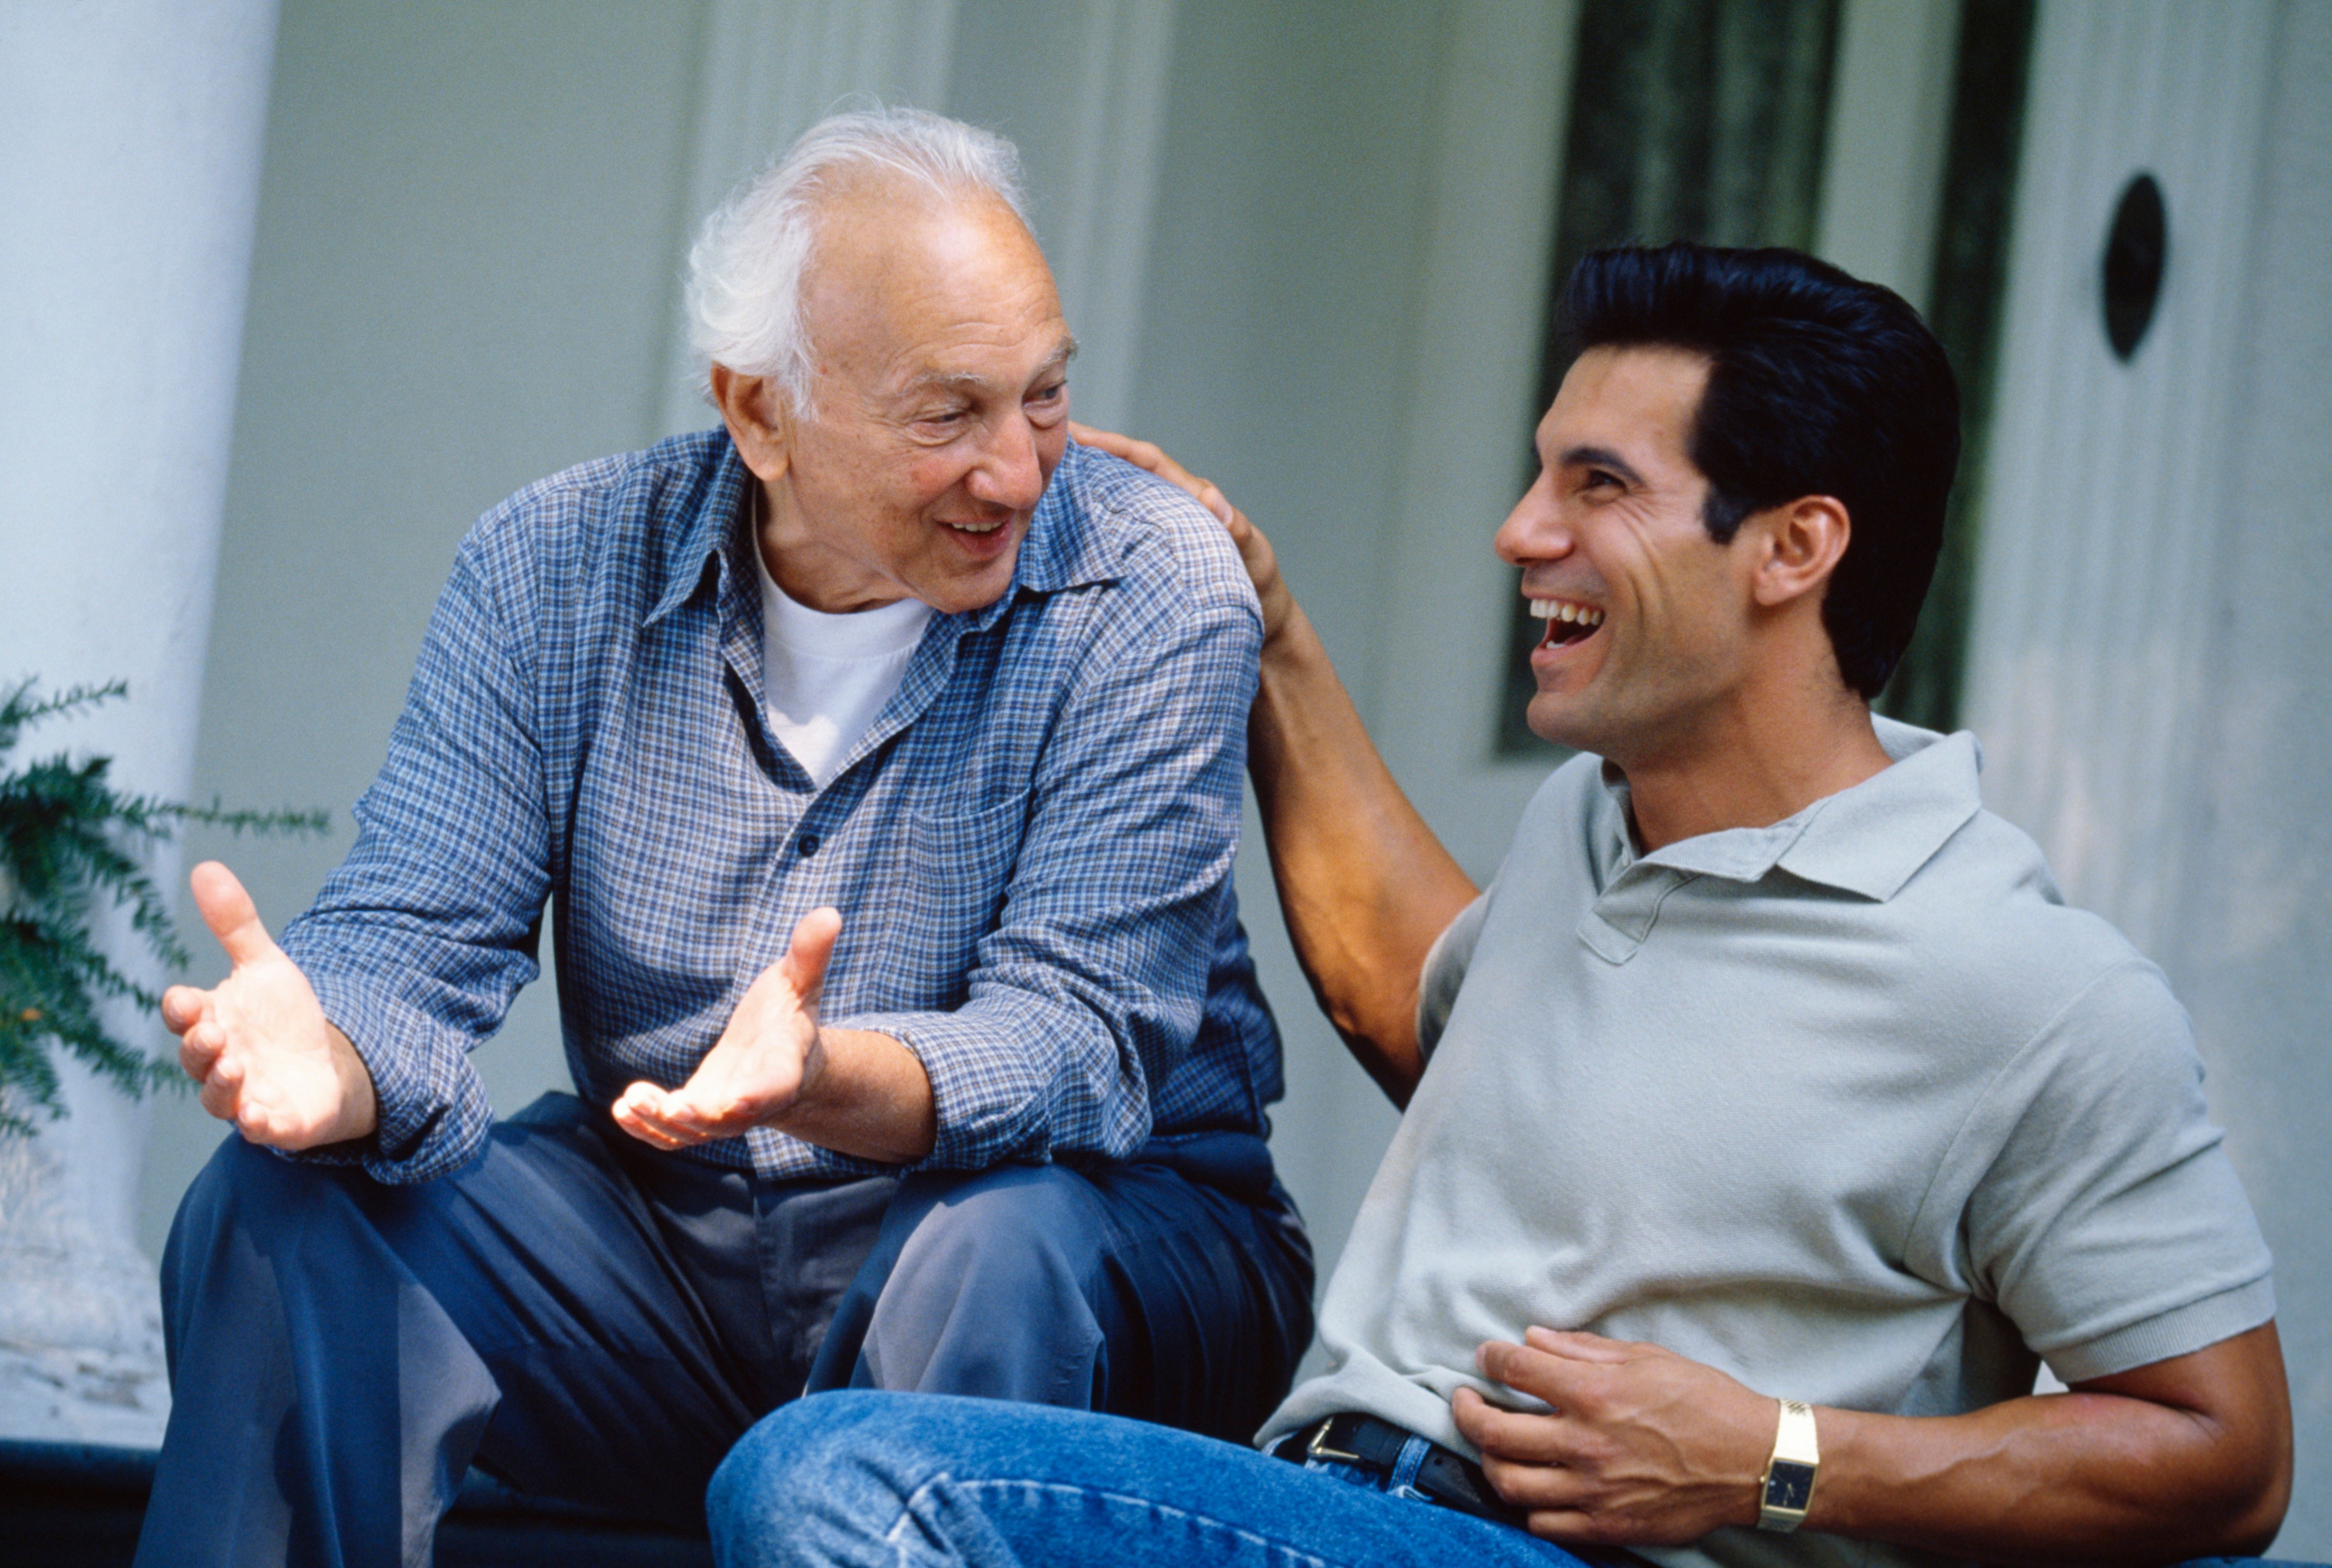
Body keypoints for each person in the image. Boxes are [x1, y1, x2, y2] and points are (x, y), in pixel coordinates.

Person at [704, 243, 2294, 1568]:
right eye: (1541, 470)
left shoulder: (2027, 988)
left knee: (853, 1487)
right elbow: (1417, 1003)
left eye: (1595, 484)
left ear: (1796, 547)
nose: (1520, 531)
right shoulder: (1594, 826)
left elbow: (2220, 1453)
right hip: (1331, 1504)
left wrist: (1774, 1460)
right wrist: (1266, 635)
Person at [137, 107, 1312, 1568]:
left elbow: (1080, 1042)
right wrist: (341, 1052)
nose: (1016, 471)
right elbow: (411, 929)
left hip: (1098, 1236)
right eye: (948, 415)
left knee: (990, 1245)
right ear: (760, 413)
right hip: (671, 1248)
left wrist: (829, 1079)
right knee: (281, 1199)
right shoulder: (551, 567)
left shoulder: (1152, 585)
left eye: (1046, 398)